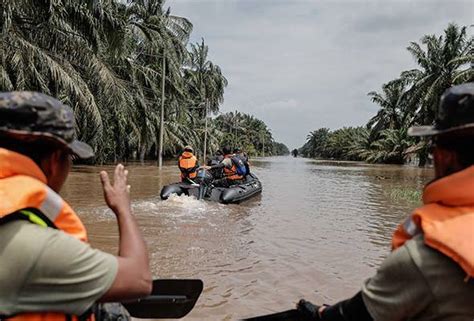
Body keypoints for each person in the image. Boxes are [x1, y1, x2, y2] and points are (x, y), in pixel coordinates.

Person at [295, 83, 474, 321]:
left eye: (432, 150)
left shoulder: (424, 259)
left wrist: (319, 313)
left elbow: (354, 317)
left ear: (444, 155)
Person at [0, 92, 152, 320]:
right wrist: (123, 207)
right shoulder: (31, 245)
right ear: (53, 161)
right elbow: (138, 279)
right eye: (69, 157)